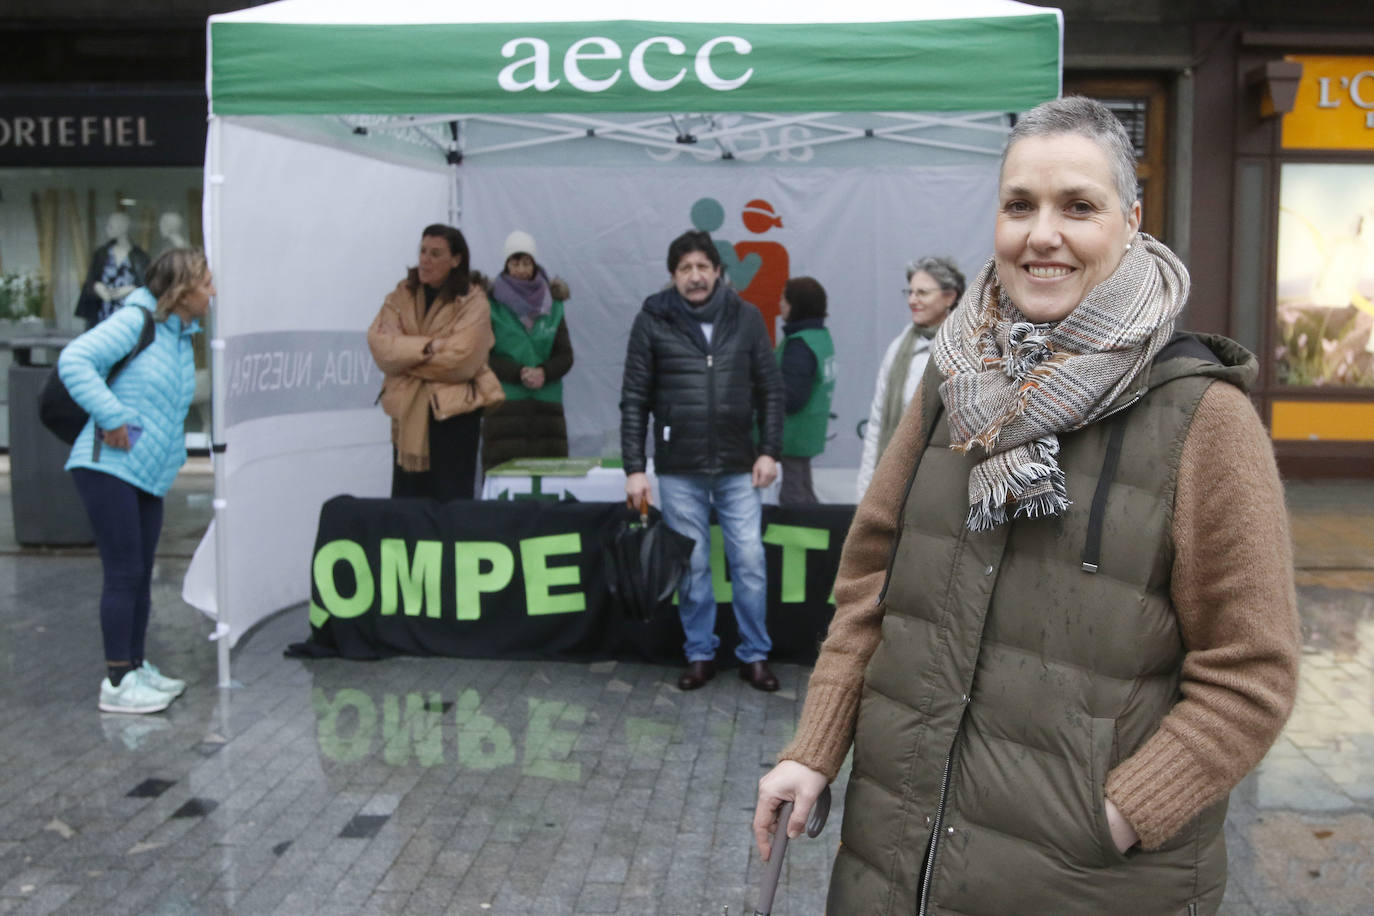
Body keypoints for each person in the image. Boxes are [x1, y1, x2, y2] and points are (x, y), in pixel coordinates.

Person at [753, 97, 1300, 915]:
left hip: (1084, 883)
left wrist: (1115, 814)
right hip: (894, 859)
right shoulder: (954, 380)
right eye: (1020, 206)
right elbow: (872, 580)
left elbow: (1252, 671)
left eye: (1078, 206)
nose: (1042, 234)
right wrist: (816, 746)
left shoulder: (1203, 416)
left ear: (1131, 220)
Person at [620, 229, 785, 692]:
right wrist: (635, 467)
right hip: (679, 468)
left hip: (738, 464)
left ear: (717, 271)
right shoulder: (653, 318)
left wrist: (769, 450)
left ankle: (755, 654)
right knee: (691, 567)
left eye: (702, 267)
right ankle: (699, 653)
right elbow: (634, 398)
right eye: (684, 269)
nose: (695, 277)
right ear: (673, 276)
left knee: (749, 561)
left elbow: (771, 390)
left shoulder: (746, 316)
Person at [58, 248, 211, 714]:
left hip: (146, 471)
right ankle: (117, 682)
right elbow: (74, 360)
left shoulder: (178, 334)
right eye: (206, 283)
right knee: (124, 573)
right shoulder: (136, 320)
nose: (213, 292)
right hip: (108, 466)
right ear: (182, 290)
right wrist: (112, 414)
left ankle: (135, 666)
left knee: (141, 574)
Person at [368, 224, 502, 501]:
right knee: (407, 507)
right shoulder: (401, 295)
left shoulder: (473, 302)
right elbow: (380, 346)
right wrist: (428, 347)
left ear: (456, 259)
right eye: (423, 251)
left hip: (453, 418)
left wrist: (405, 357)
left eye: (435, 253)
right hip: (408, 414)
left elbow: (462, 361)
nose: (425, 260)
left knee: (449, 508)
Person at [855, 255, 964, 501]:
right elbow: (877, 421)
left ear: (950, 296)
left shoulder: (965, 349)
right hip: (893, 482)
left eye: (922, 293)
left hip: (942, 485)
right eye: (910, 292)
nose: (913, 300)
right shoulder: (898, 348)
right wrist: (867, 489)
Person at [481, 230, 574, 471]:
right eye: (515, 262)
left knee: (549, 482)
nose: (521, 269)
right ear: (506, 264)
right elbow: (483, 355)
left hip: (547, 409)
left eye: (526, 262)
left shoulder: (553, 304)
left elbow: (565, 356)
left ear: (534, 263)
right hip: (504, 407)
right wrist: (518, 372)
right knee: (506, 484)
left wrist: (544, 372)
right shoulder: (491, 305)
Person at [775, 276, 835, 506]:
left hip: (791, 436)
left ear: (795, 305)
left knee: (794, 501)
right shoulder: (820, 337)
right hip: (806, 434)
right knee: (804, 492)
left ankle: (799, 540)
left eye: (784, 298)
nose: (780, 303)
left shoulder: (799, 345)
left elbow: (791, 398)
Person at [75, 212, 151, 330]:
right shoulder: (102, 254)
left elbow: (147, 284)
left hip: (128, 315)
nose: (107, 229)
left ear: (123, 228)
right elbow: (91, 280)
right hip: (102, 313)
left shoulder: (139, 257)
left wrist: (132, 289)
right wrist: (97, 287)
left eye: (111, 226)